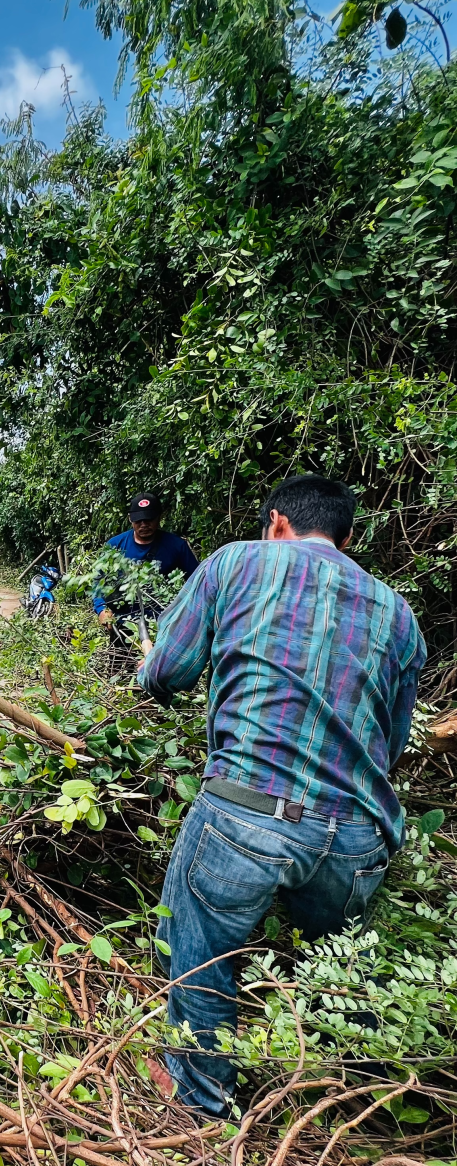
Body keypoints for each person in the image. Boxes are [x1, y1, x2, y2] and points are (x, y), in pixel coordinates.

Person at [139, 474, 426, 1115]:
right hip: (357, 837)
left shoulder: (237, 561)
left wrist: (149, 672)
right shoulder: (398, 615)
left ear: (275, 525)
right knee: (338, 968)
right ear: (346, 539)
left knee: (196, 945)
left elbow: (168, 672)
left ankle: (200, 1099)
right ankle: (343, 1098)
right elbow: (393, 742)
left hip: (246, 816)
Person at [93, 493, 199, 650]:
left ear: (159, 518)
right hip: (124, 625)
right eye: (139, 520)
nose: (144, 524)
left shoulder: (177, 547)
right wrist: (102, 609)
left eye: (149, 519)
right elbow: (98, 583)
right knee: (120, 671)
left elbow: (197, 582)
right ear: (130, 519)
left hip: (165, 626)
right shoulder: (114, 546)